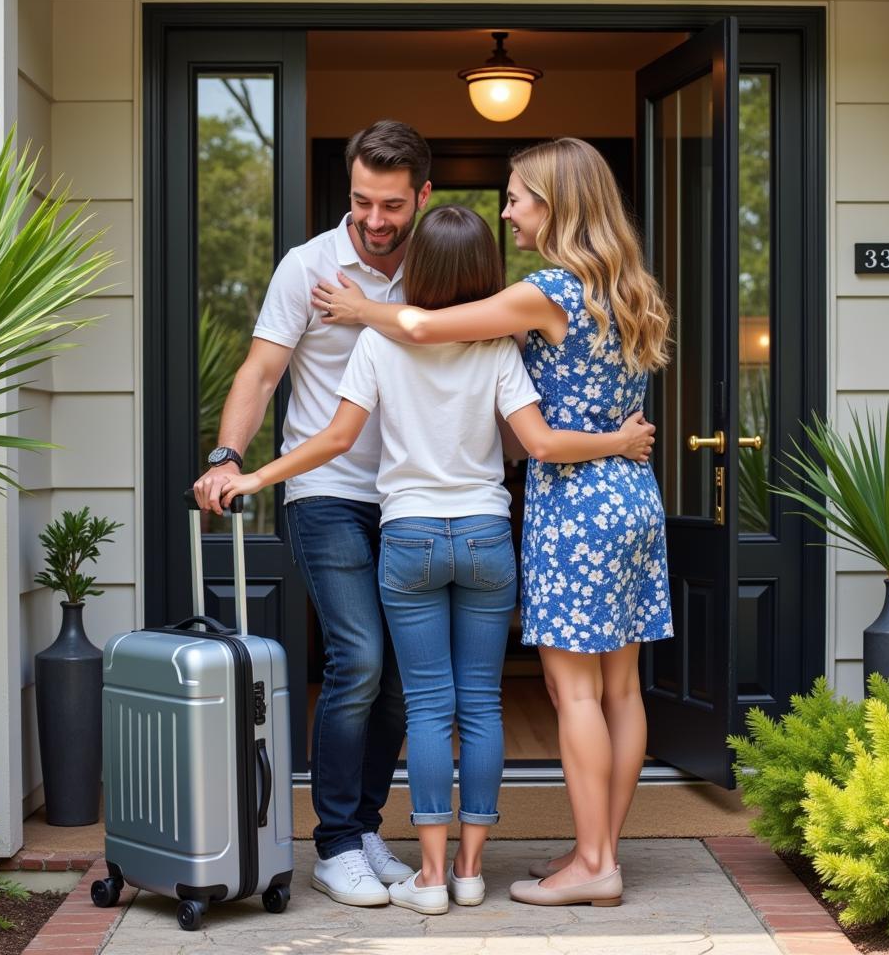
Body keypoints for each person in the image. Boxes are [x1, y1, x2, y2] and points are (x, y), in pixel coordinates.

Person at [217, 204, 655, 914]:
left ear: (417, 268)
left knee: (426, 706)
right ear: (485, 276)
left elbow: (334, 441)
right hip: (485, 537)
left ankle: (427, 876)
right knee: (481, 706)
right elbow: (530, 441)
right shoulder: (500, 351)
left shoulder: (380, 346)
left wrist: (256, 477)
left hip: (410, 538)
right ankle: (472, 869)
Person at [311, 137, 674, 908]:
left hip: (577, 503)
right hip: (634, 497)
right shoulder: (629, 284)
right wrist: (621, 441)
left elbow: (423, 329)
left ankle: (595, 864)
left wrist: (359, 307)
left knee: (572, 693)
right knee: (621, 691)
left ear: (556, 204)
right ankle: (596, 851)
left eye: (516, 197)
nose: (506, 211)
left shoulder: (548, 291)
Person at [192, 120, 433, 909]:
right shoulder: (308, 266)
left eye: (391, 204)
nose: (373, 219)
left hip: (409, 495)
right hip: (324, 491)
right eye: (362, 200)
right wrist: (230, 457)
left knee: (399, 678)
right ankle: (332, 843)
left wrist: (370, 313)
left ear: (422, 197)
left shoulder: (437, 265)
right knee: (359, 657)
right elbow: (262, 372)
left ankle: (364, 829)